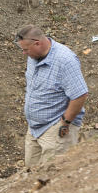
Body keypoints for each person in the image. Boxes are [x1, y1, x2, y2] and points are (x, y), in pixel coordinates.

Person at [15, 25, 89, 169]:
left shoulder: (65, 61)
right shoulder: (34, 55)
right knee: (30, 174)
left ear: (38, 43)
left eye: (25, 49)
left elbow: (80, 95)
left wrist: (65, 122)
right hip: (35, 129)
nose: (24, 53)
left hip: (56, 126)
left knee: (52, 174)